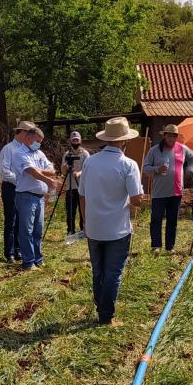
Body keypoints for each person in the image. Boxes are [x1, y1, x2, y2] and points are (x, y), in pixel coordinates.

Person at [79, 117, 143, 325]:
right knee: (113, 273)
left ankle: (101, 306)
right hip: (117, 229)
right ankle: (106, 315)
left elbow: (82, 195)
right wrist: (142, 198)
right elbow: (135, 200)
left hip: (94, 226)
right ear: (124, 141)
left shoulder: (90, 162)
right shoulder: (128, 165)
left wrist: (85, 220)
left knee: (98, 271)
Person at [142, 124, 193, 252]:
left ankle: (170, 247)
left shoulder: (182, 149)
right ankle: (156, 245)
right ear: (164, 136)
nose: (172, 138)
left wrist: (189, 169)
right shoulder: (155, 150)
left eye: (174, 136)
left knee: (172, 220)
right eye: (169, 136)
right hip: (159, 192)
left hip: (176, 191)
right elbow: (145, 168)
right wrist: (157, 169)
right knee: (156, 218)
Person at [14, 128, 59, 271]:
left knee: (38, 230)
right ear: (28, 139)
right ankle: (28, 262)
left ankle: (38, 258)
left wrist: (40, 170)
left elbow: (52, 169)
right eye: (37, 141)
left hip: (39, 198)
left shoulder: (39, 153)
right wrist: (47, 180)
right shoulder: (19, 153)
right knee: (26, 230)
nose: (39, 144)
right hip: (26, 196)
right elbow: (31, 171)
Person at [0, 121, 36, 263]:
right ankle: (9, 253)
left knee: (22, 220)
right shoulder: (8, 149)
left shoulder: (27, 149)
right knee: (11, 220)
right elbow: (4, 172)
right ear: (21, 132)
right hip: (11, 187)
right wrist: (21, 180)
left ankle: (18, 250)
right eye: (29, 133)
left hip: (23, 188)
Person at [61, 131, 90, 236]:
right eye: (73, 140)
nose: (75, 141)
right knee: (70, 210)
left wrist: (79, 173)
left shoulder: (85, 154)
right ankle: (70, 230)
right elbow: (63, 172)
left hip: (83, 187)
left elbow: (88, 169)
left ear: (80, 140)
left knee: (83, 209)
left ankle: (84, 229)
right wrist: (65, 167)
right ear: (70, 141)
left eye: (77, 139)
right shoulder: (67, 154)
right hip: (70, 186)